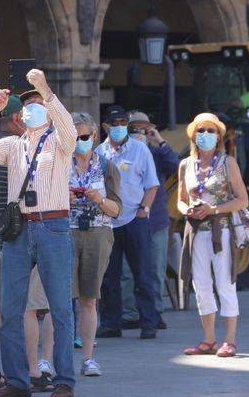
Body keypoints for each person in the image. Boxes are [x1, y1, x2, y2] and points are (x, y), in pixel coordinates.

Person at [0, 70, 78, 397]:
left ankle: (64, 380)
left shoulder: (59, 143)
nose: (33, 110)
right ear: (19, 116)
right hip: (20, 228)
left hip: (53, 224)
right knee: (11, 307)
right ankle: (17, 379)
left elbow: (72, 133)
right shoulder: (12, 145)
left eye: (39, 106)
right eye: (28, 105)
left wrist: (45, 89)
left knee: (60, 307)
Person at [0, 94, 56, 392]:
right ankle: (31, 371)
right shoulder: (19, 152)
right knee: (28, 308)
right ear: (18, 119)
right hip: (20, 241)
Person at [178, 113, 249, 358]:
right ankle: (208, 340)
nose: (205, 135)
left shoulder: (228, 163)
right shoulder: (186, 165)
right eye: (201, 130)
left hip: (221, 230)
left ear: (218, 136)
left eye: (210, 130)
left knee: (225, 283)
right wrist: (186, 210)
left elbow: (242, 199)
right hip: (196, 232)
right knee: (201, 286)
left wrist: (214, 209)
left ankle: (229, 340)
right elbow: (179, 199)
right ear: (193, 135)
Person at [95, 105, 161, 340]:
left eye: (123, 123)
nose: (119, 127)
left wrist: (145, 209)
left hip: (135, 218)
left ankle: (149, 322)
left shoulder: (140, 150)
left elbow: (151, 184)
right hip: (108, 221)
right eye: (114, 124)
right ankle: (112, 323)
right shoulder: (99, 153)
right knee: (108, 277)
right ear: (105, 127)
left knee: (143, 274)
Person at [68, 113, 122, 377]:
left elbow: (116, 210)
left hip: (98, 231)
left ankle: (88, 358)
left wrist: (99, 199)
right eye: (74, 137)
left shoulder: (106, 165)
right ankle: (51, 358)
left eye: (84, 137)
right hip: (64, 233)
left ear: (95, 136)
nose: (80, 141)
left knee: (89, 299)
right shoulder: (57, 164)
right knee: (59, 299)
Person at [120, 112, 180, 329]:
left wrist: (159, 140)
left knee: (155, 268)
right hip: (128, 219)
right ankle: (129, 313)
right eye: (135, 129)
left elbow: (176, 166)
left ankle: (155, 312)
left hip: (155, 220)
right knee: (127, 271)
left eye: (144, 129)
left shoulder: (156, 154)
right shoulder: (121, 153)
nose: (140, 133)